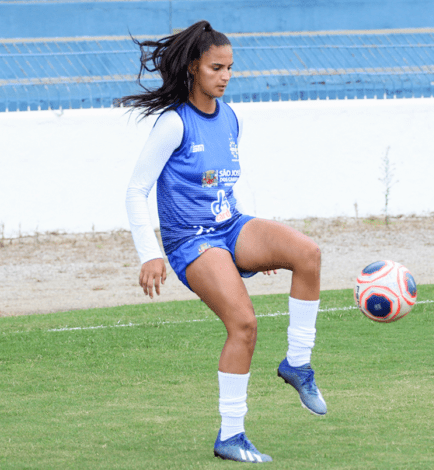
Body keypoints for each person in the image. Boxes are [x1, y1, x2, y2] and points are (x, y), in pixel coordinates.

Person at [119, 20, 326, 463]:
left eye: (230, 68)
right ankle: (231, 435)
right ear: (193, 67)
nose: (225, 76)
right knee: (244, 325)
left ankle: (298, 363)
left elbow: (230, 183)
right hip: (191, 241)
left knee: (307, 253)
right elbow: (136, 190)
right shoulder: (174, 124)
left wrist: (261, 244)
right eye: (216, 67)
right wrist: (150, 253)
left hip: (231, 226)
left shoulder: (231, 116)